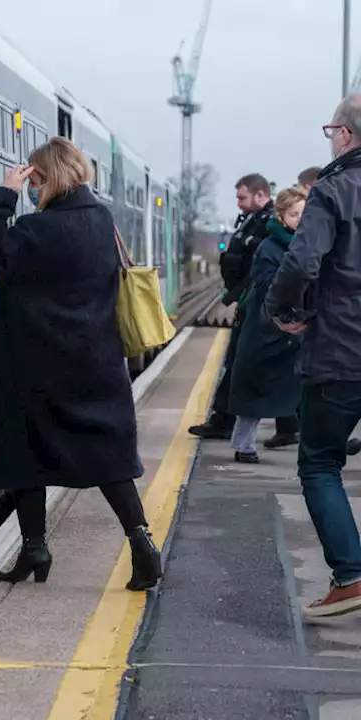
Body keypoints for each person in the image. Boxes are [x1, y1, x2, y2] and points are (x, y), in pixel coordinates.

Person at [0, 137, 162, 592]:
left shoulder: (36, 231)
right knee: (108, 459)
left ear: (49, 178)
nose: (31, 188)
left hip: (32, 364)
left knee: (23, 451)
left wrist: (3, 195)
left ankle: (35, 546)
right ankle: (143, 544)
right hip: (93, 362)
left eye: (34, 179)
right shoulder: (102, 221)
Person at [267, 93, 361, 617]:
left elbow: (302, 263)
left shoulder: (333, 188)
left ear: (344, 135)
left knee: (321, 463)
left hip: (342, 352)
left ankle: (350, 576)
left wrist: (279, 310)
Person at [191, 173, 301, 448]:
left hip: (264, 310)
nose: (238, 203)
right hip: (257, 306)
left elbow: (260, 273)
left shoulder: (267, 230)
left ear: (260, 194)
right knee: (263, 371)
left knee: (250, 369)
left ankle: (229, 423)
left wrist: (240, 297)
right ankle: (268, 427)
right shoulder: (253, 223)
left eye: (242, 197)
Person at [227, 186, 309, 463]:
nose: (300, 218)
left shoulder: (310, 243)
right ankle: (243, 444)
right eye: (294, 214)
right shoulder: (270, 247)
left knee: (307, 390)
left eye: (303, 213)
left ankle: (329, 443)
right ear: (282, 215)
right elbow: (266, 286)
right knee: (256, 390)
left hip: (295, 328)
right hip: (268, 327)